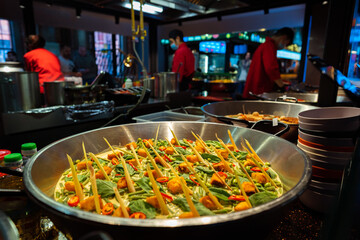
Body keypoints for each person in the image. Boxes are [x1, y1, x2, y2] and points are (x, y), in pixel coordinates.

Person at [242, 27, 294, 98]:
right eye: (285, 44)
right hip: (257, 93)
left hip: (255, 92)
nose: (284, 47)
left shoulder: (266, 45)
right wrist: (281, 86)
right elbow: (271, 68)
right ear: (283, 38)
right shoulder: (269, 46)